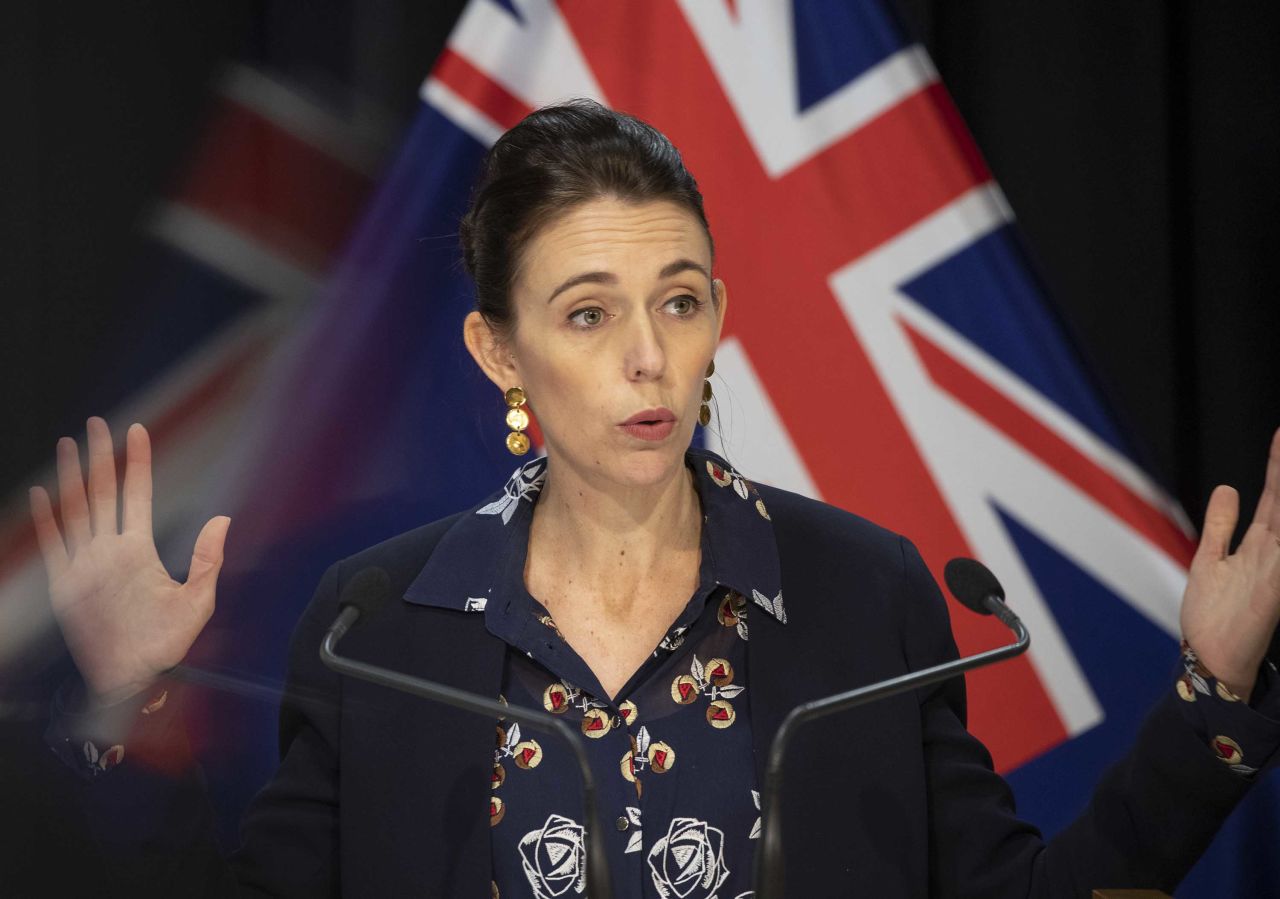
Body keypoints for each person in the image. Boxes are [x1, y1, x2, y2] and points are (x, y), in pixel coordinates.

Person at [28, 99, 1280, 898]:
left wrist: (1208, 697)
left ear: (716, 320)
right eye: (587, 313)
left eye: (678, 301)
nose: (646, 356)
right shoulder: (376, 624)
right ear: (498, 352)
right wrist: (121, 699)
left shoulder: (863, 593)